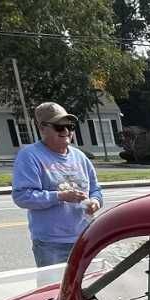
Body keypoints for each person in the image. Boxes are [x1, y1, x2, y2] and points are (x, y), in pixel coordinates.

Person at [12, 102, 103, 267]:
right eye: (59, 127)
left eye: (69, 126)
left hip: (85, 237)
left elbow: (96, 190)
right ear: (42, 128)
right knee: (54, 288)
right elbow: (22, 196)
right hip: (51, 244)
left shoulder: (80, 157)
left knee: (88, 287)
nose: (66, 131)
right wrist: (60, 196)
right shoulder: (30, 156)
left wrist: (96, 202)